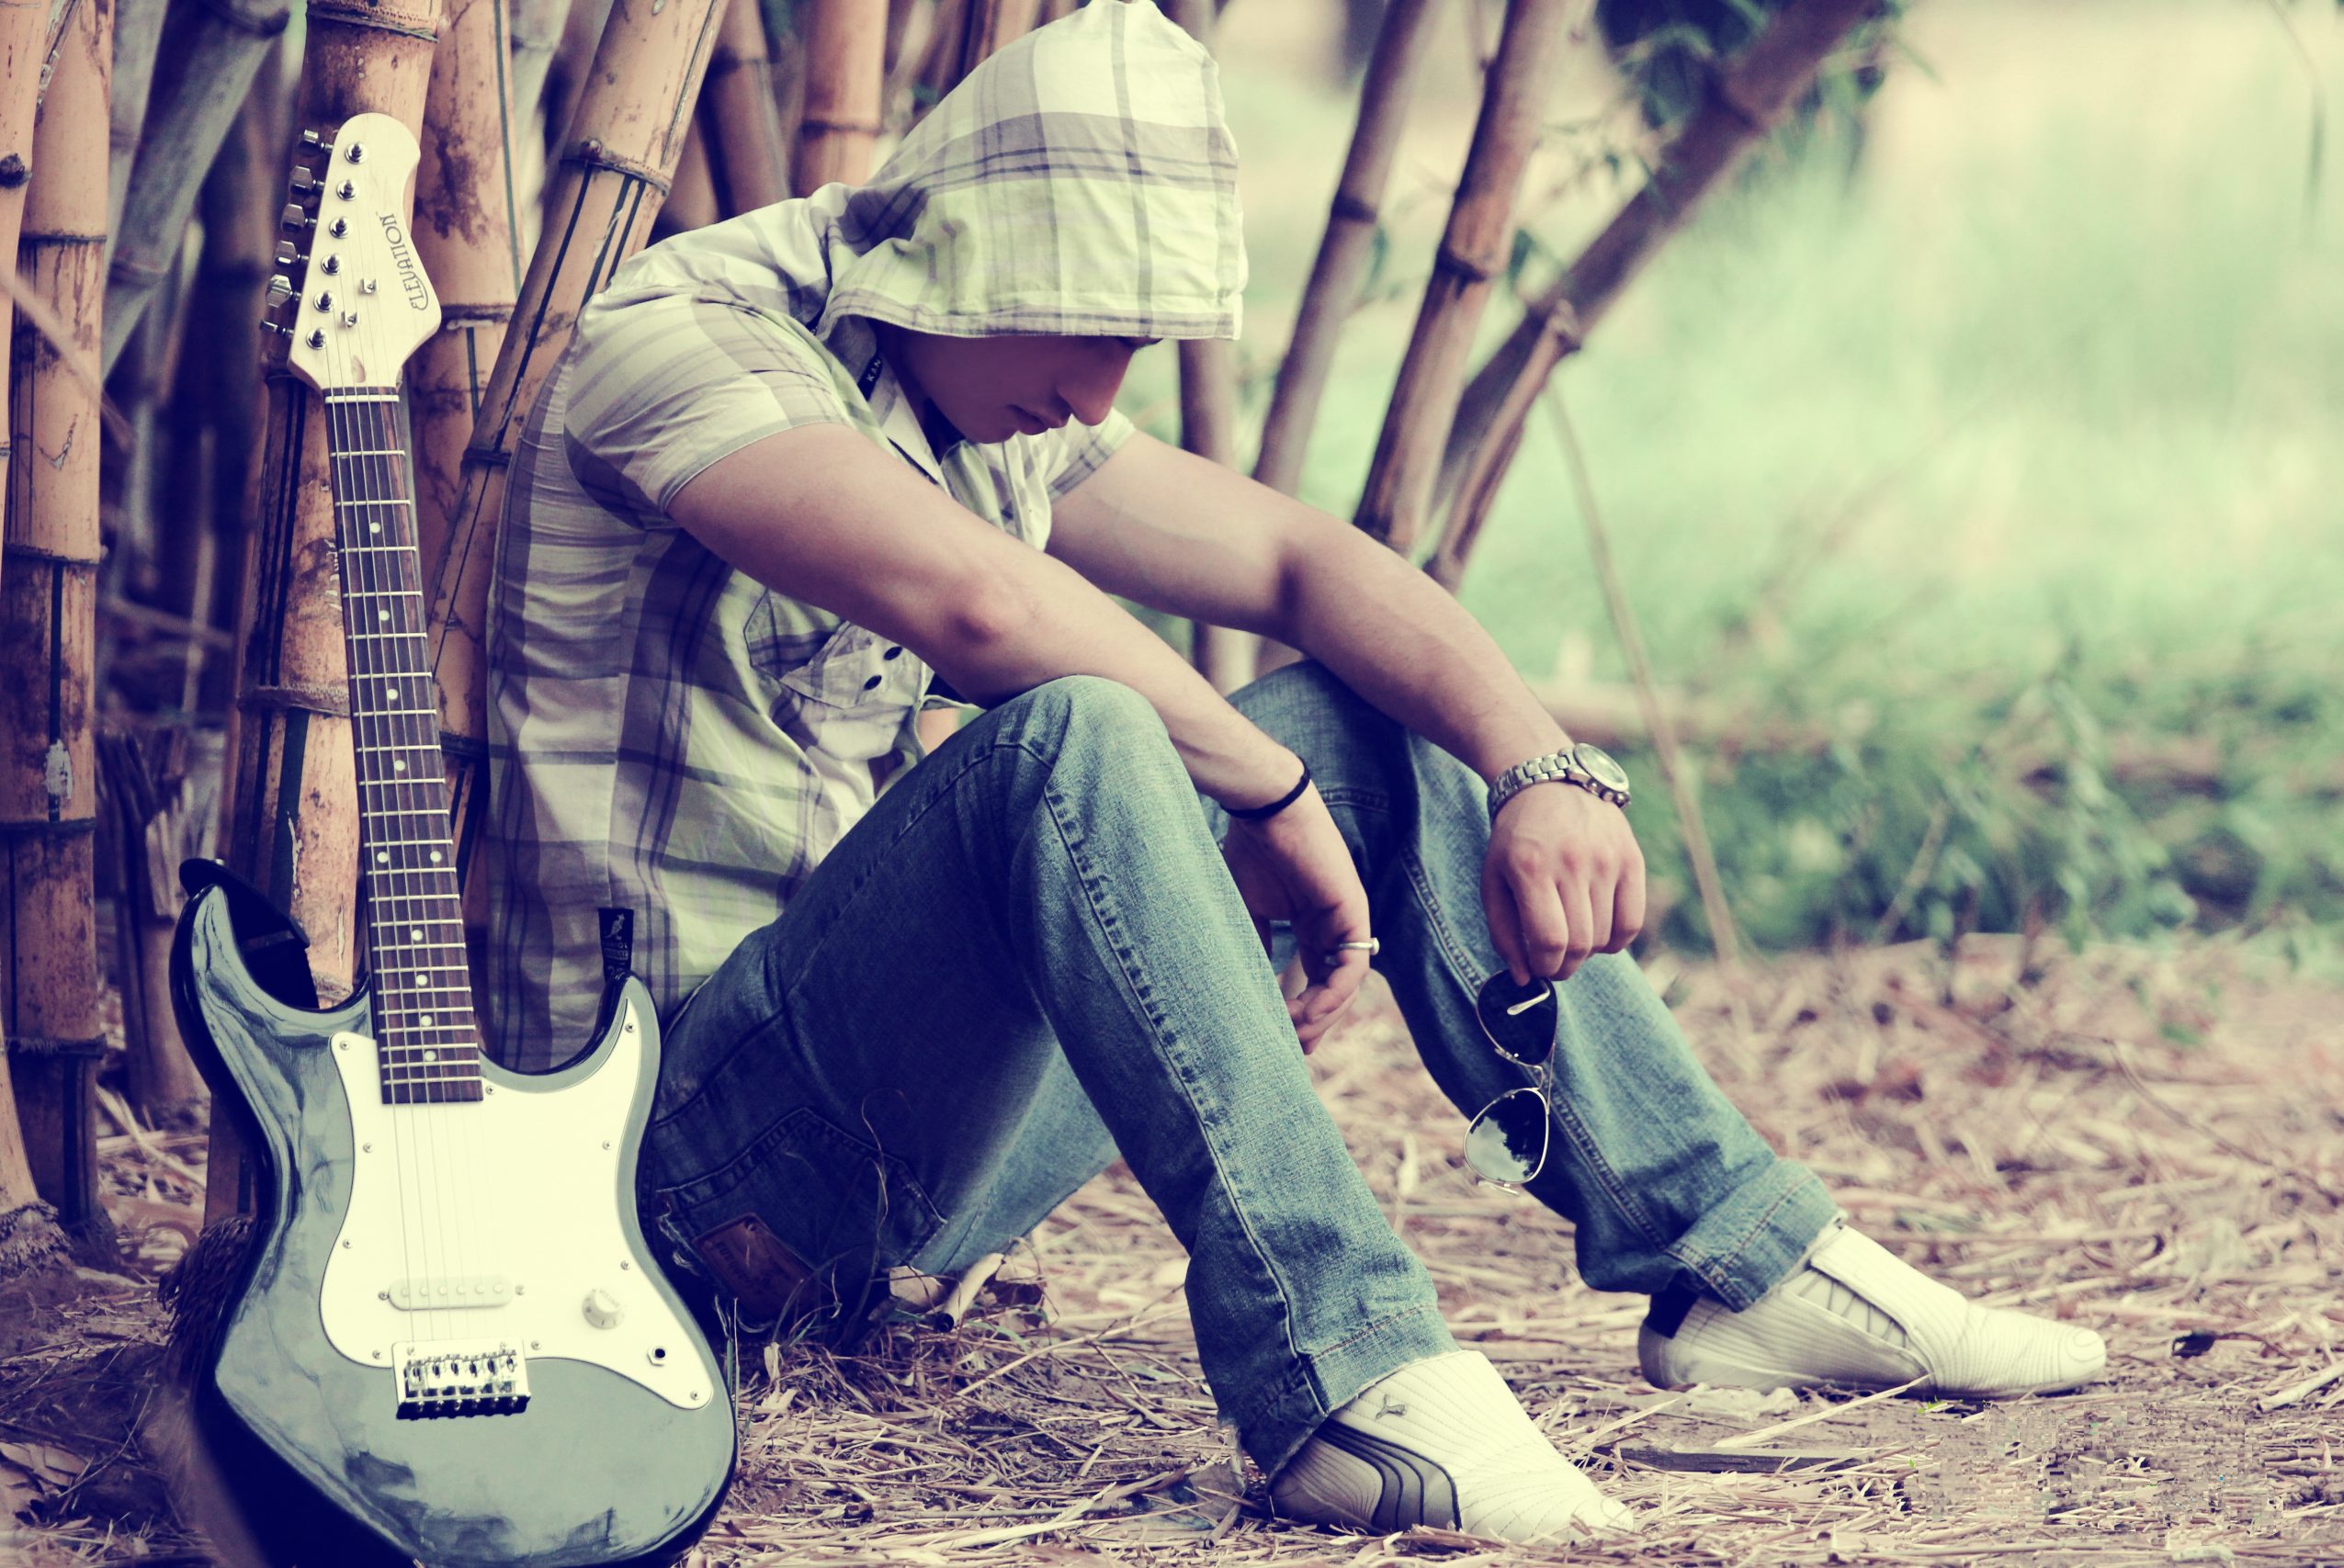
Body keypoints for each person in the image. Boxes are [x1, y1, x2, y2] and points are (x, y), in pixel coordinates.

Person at [480, 0, 2105, 1543]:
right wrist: (1264, 796)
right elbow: (977, 607)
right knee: (1082, 729)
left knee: (1379, 717)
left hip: (903, 1174)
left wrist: (1537, 763)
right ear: (965, 262)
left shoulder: (974, 380)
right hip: (678, 1165)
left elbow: (1305, 563)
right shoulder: (677, 348)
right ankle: (1345, 1381)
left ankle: (1742, 1264)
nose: (1099, 393)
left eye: (1140, 342)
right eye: (1090, 331)